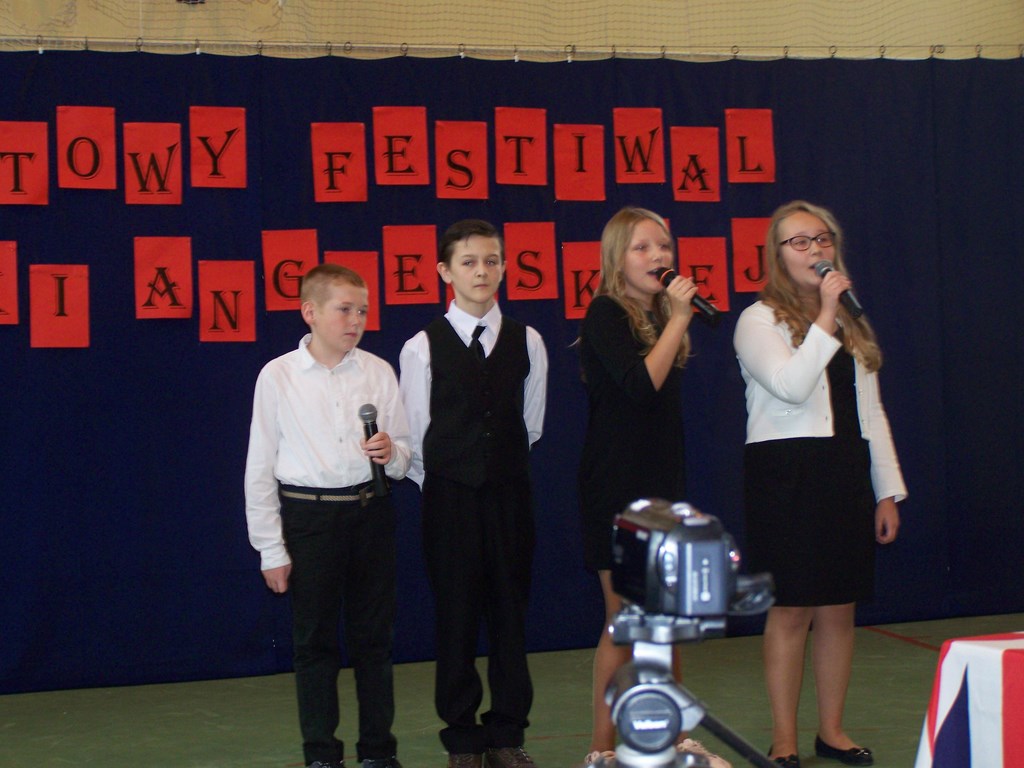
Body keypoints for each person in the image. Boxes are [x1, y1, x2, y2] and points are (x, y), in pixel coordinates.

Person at [733, 201, 907, 768]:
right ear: (778, 255)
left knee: (838, 608)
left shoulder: (850, 322)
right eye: (799, 242)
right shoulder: (758, 319)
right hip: (787, 472)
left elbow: (870, 411)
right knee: (791, 609)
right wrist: (827, 314)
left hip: (843, 468)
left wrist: (886, 490)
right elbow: (791, 384)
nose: (814, 250)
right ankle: (784, 738)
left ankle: (831, 730)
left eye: (822, 239)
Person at [576, 207, 729, 768]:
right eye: (642, 247)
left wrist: (674, 319)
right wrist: (681, 320)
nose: (658, 256)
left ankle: (674, 738)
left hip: (662, 487)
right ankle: (601, 749)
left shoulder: (660, 316)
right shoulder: (605, 313)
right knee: (626, 620)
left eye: (664, 246)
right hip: (616, 486)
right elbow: (640, 387)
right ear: (617, 258)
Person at [244, 263, 411, 768]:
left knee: (374, 641)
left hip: (370, 512)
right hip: (309, 519)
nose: (356, 320)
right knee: (314, 642)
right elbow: (260, 467)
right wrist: (270, 548)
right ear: (310, 312)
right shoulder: (278, 376)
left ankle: (378, 751)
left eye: (363, 310)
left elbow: (406, 454)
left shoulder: (378, 372)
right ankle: (321, 753)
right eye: (344, 309)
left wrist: (393, 453)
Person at [399, 219, 548, 768]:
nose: (481, 271)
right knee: (456, 617)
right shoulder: (421, 347)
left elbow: (530, 424)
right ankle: (461, 737)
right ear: (445, 271)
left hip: (509, 498)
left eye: (491, 260)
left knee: (510, 614)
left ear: (504, 267)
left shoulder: (528, 340)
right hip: (450, 500)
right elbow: (415, 431)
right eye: (468, 262)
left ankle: (507, 733)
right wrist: (449, 480)